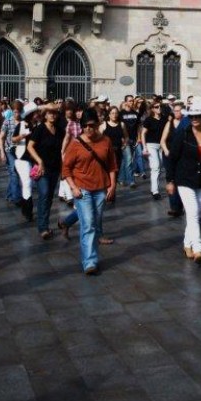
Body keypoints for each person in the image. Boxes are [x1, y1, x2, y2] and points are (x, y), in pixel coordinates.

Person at [61, 109, 117, 275]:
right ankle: (90, 262)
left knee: (96, 223)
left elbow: (112, 165)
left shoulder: (106, 141)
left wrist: (112, 185)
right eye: (84, 126)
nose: (87, 129)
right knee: (88, 225)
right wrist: (73, 187)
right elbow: (66, 168)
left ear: (97, 124)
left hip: (101, 188)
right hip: (82, 189)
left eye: (91, 125)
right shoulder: (76, 144)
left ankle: (91, 254)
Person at [168, 97, 201, 264]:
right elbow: (172, 158)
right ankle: (198, 249)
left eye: (197, 116)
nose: (194, 119)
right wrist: (170, 180)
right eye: (192, 117)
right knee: (192, 212)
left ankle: (186, 243)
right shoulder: (183, 134)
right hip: (184, 178)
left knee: (196, 213)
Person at [27, 103, 65, 240]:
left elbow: (63, 148)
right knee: (43, 194)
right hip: (42, 169)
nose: (52, 115)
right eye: (49, 113)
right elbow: (30, 147)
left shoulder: (60, 130)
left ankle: (45, 225)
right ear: (45, 115)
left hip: (55, 167)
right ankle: (42, 227)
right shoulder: (40, 129)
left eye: (54, 113)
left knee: (49, 197)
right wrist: (39, 161)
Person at [160, 101, 185, 216]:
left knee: (180, 179)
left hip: (181, 156)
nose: (176, 112)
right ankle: (174, 207)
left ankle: (180, 206)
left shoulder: (185, 123)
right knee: (170, 179)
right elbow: (163, 140)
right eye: (174, 110)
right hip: (169, 155)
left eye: (178, 110)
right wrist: (165, 150)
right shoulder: (169, 123)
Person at [141, 101, 168, 200]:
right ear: (152, 109)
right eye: (156, 107)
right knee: (155, 167)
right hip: (151, 145)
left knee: (160, 168)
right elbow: (143, 133)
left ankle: (155, 188)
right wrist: (144, 147)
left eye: (160, 106)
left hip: (162, 146)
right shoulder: (148, 120)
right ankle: (155, 191)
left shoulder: (165, 119)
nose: (159, 108)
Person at [0, 99, 23, 205]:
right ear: (12, 111)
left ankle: (9, 194)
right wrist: (2, 152)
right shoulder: (7, 122)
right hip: (10, 151)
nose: (17, 114)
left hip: (21, 151)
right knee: (14, 173)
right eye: (15, 111)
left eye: (18, 111)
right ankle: (16, 198)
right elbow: (1, 137)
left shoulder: (24, 122)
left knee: (17, 173)